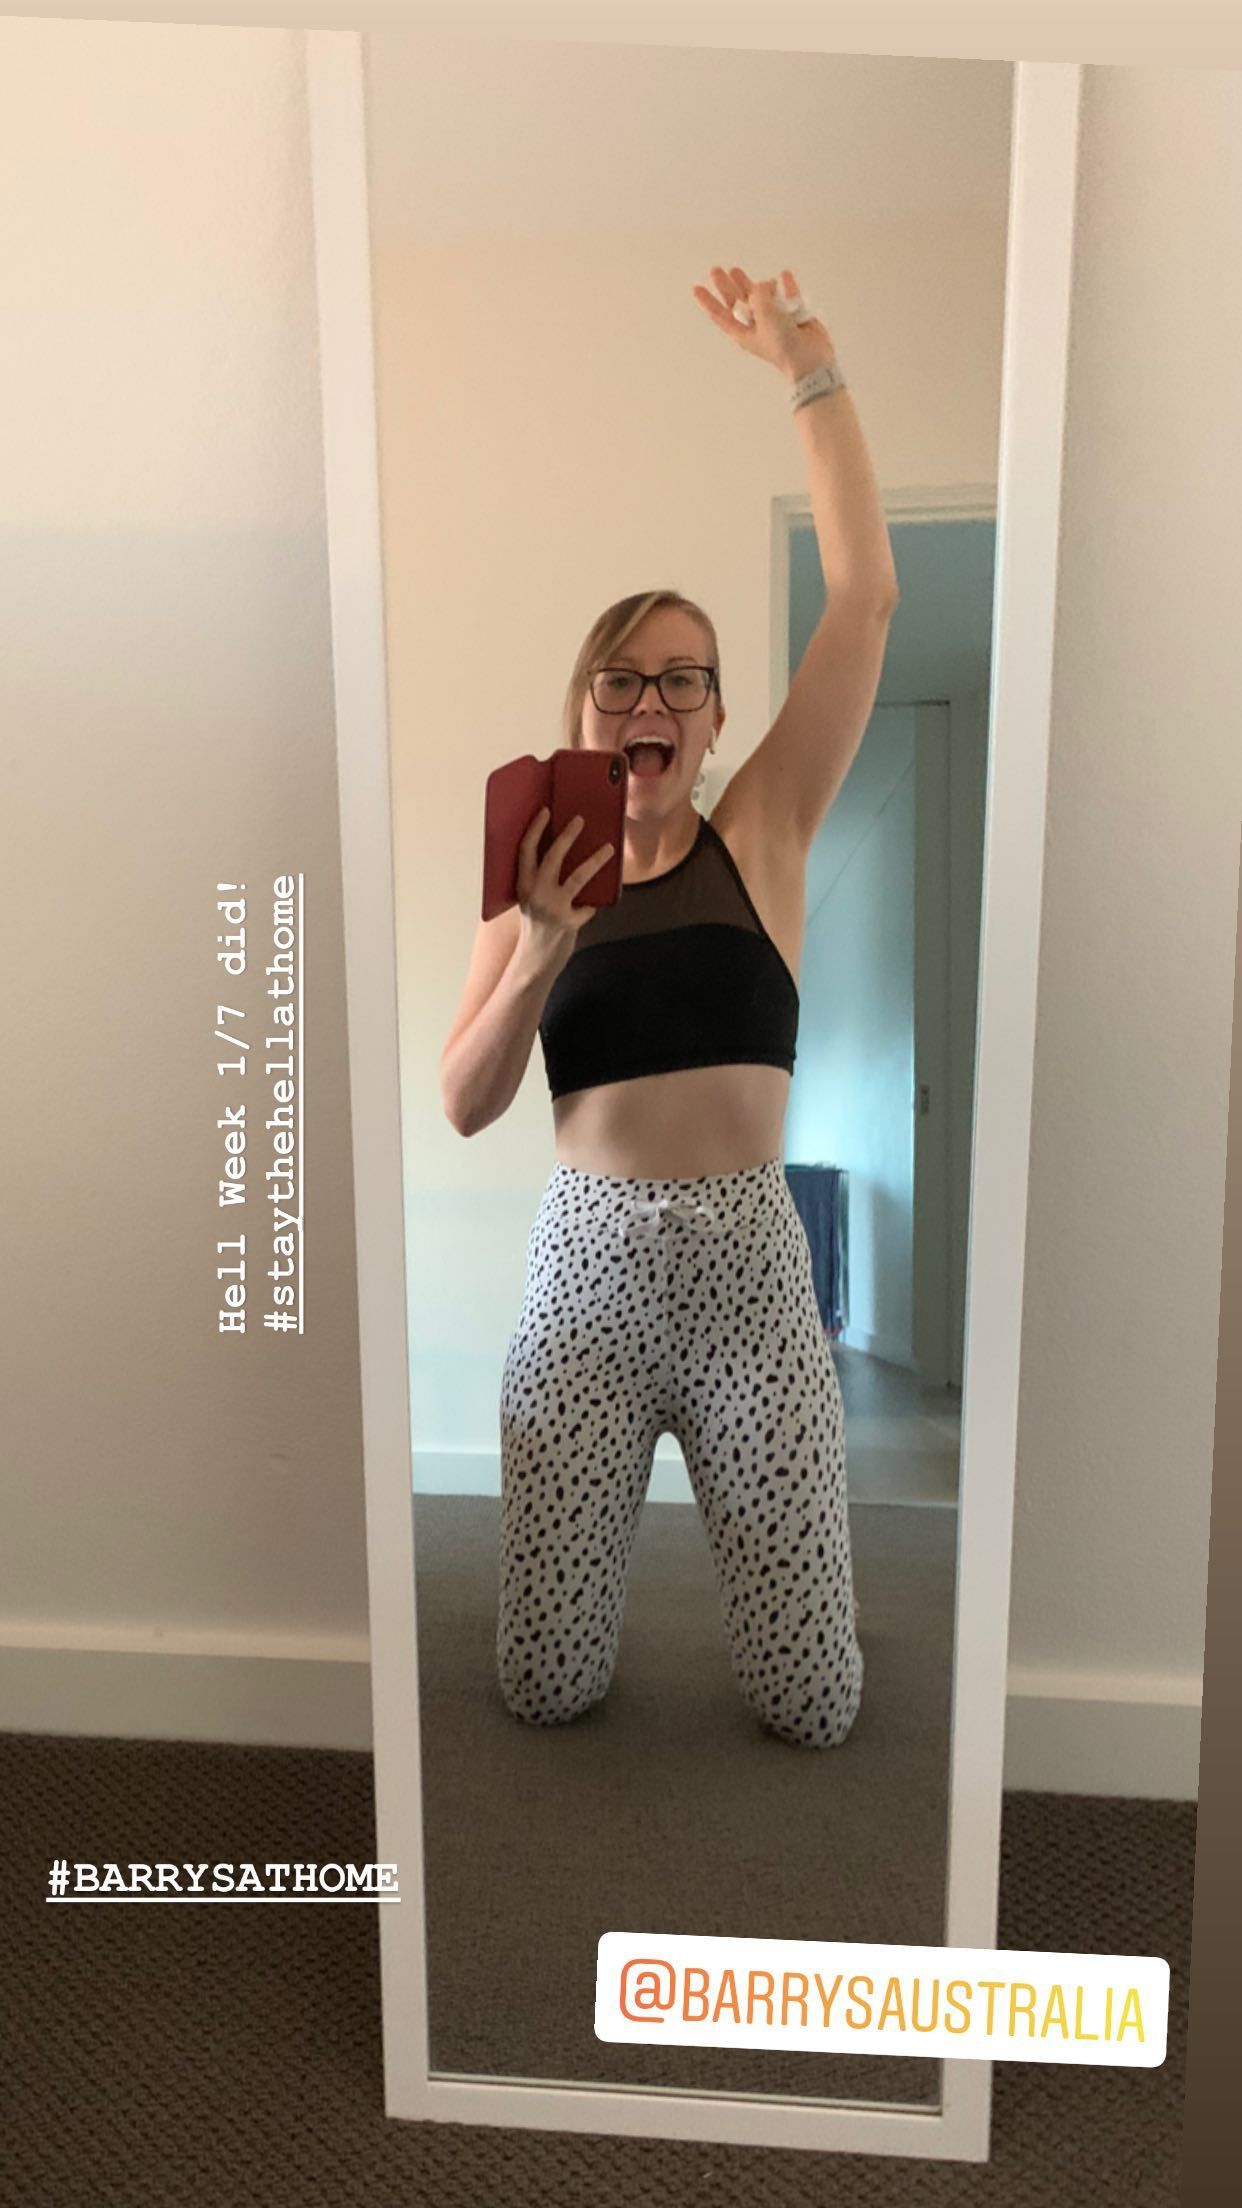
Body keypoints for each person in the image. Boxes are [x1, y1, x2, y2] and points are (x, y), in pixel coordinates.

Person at [440, 264, 899, 1747]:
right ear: (584, 709)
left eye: (682, 681)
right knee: (545, 1689)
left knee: (813, 1705)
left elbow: (864, 600)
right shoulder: (526, 879)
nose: (650, 703)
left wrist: (808, 369)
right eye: (622, 680)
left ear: (714, 721)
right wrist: (539, 949)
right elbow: (464, 1104)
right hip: (583, 1270)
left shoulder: (760, 833)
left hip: (751, 1271)